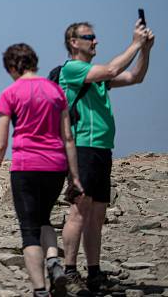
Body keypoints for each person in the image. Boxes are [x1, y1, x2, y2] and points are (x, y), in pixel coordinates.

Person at [58, 20, 154, 295]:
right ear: (74, 42)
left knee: (97, 214)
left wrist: (144, 51)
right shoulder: (73, 69)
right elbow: (113, 69)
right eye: (89, 37)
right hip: (83, 147)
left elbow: (135, 77)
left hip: (101, 148)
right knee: (79, 209)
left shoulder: (97, 77)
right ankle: (69, 270)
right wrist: (135, 43)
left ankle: (95, 272)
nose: (96, 41)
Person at [0, 43, 84, 297]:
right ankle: (53, 261)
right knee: (44, 219)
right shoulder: (55, 91)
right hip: (55, 166)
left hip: (26, 166)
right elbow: (68, 137)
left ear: (13, 67)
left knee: (29, 230)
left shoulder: (11, 93)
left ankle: (40, 289)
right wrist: (74, 176)